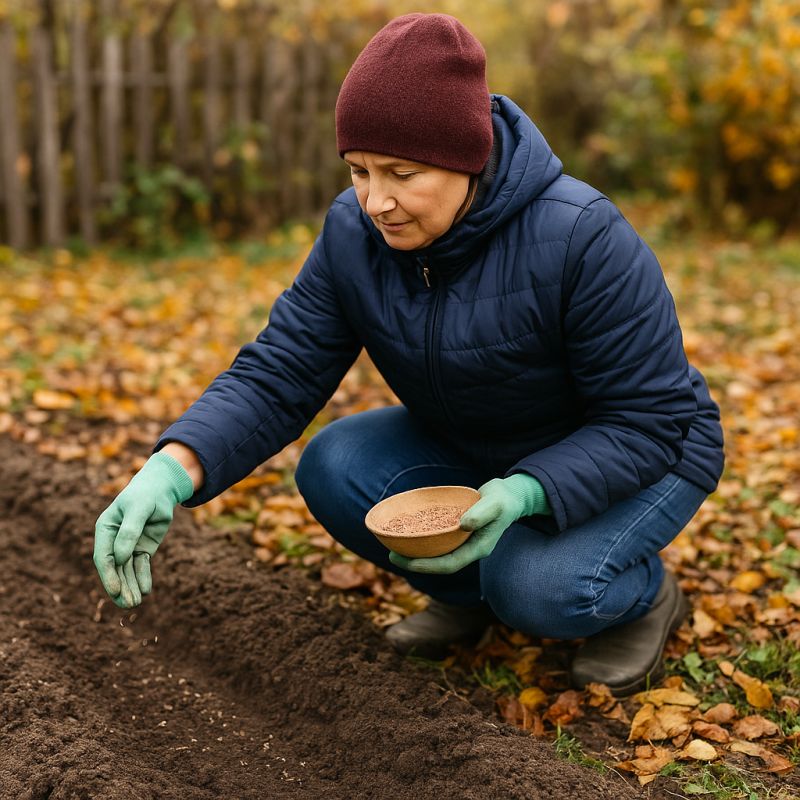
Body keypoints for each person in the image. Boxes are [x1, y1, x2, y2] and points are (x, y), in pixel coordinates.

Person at [94, 13, 724, 697]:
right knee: (335, 464)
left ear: (468, 158)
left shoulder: (581, 236)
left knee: (535, 586)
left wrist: (528, 491)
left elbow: (647, 420)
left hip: (645, 452)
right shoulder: (352, 233)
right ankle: (468, 596)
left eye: (403, 173)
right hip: (481, 442)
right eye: (359, 171)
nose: (376, 201)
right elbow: (282, 368)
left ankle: (642, 599)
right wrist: (173, 467)